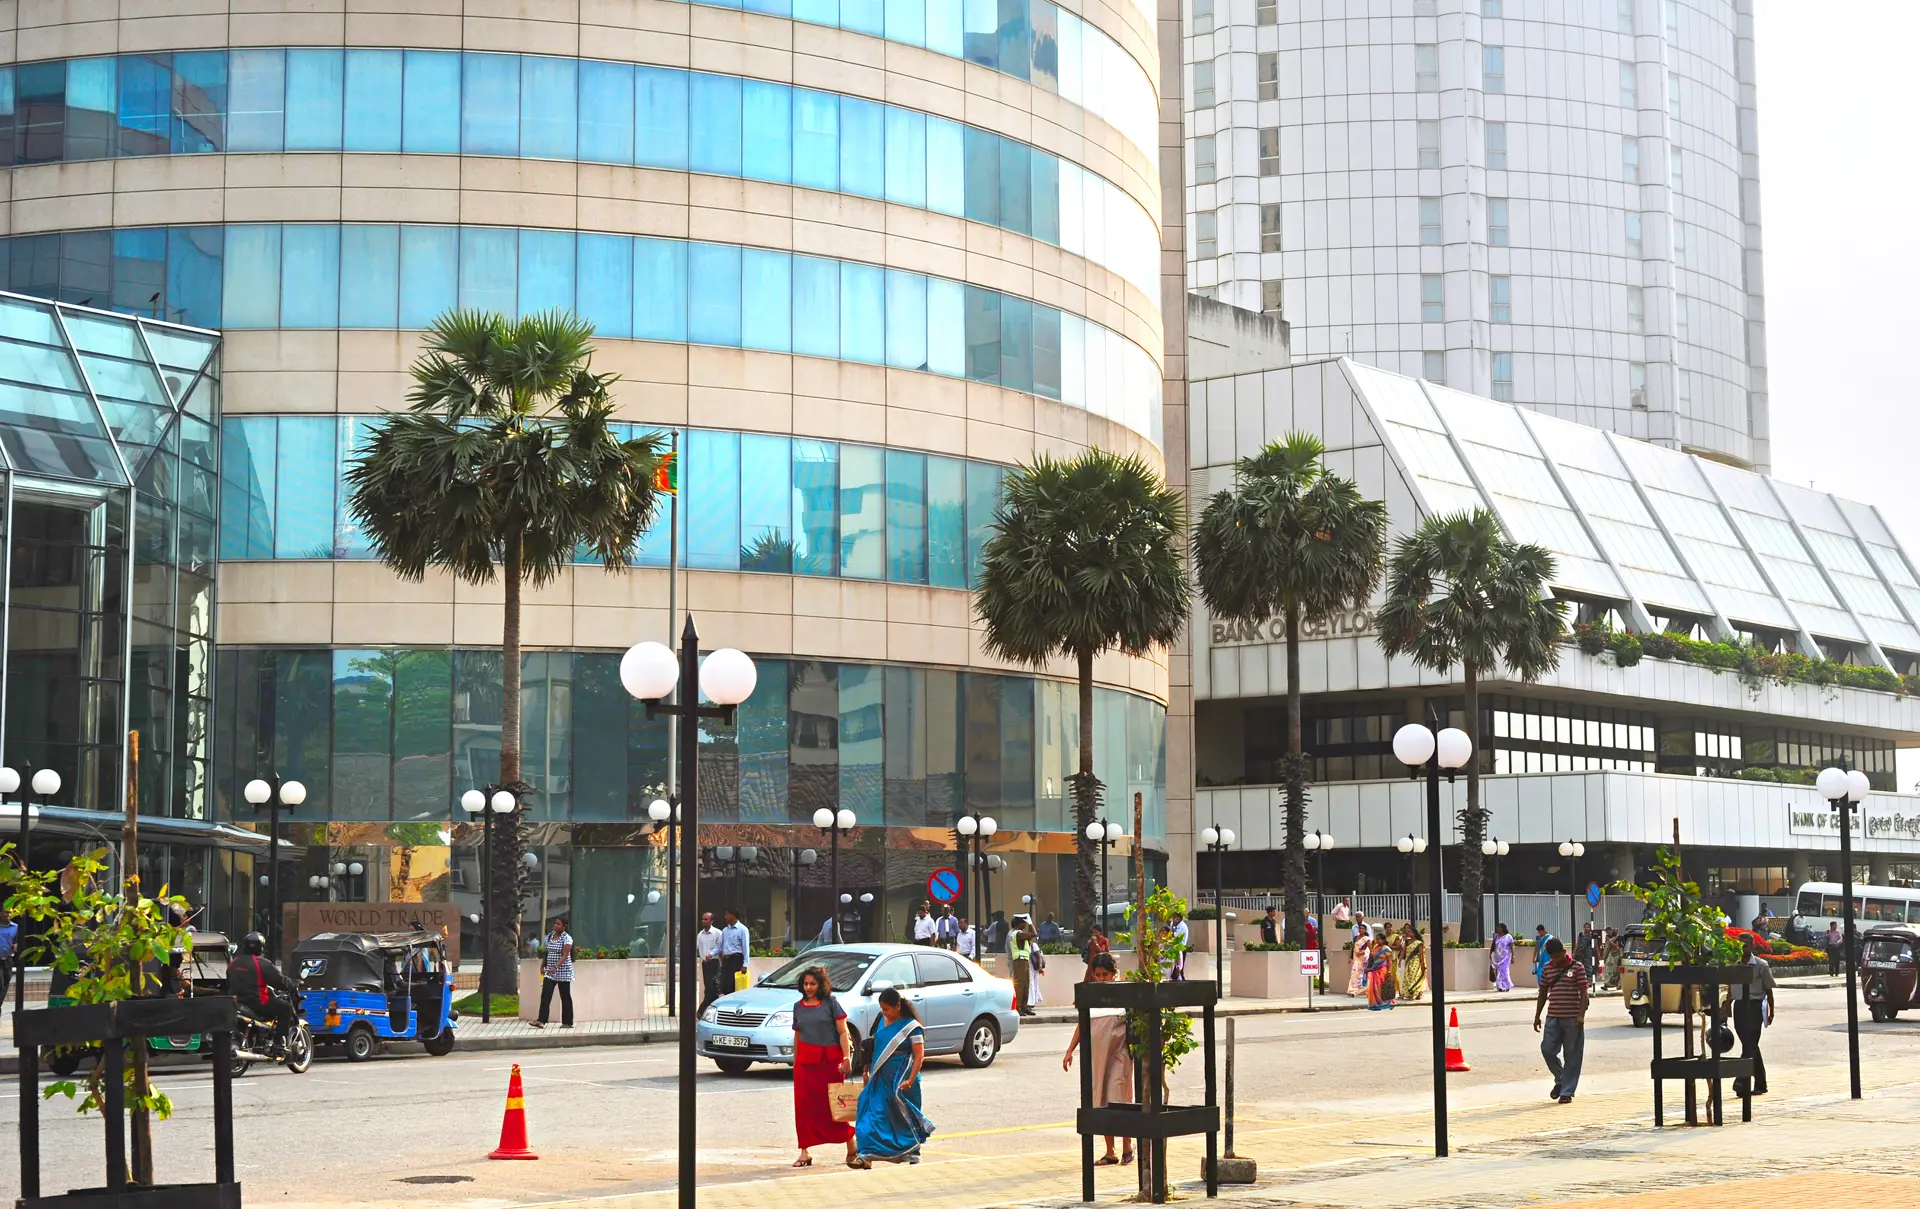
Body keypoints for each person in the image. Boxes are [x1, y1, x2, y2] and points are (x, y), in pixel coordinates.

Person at [849, 987, 934, 1166]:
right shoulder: (881, 1020)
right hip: (880, 1077)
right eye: (882, 1008)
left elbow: (919, 1055)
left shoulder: (912, 1027)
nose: (884, 1012)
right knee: (870, 1113)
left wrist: (911, 1079)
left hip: (902, 1080)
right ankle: (866, 1154)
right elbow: (872, 1046)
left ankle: (911, 1152)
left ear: (898, 1007)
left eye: (887, 1009)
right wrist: (865, 1070)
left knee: (903, 1118)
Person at [1062, 953, 1133, 1166]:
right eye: (1098, 975)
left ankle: (1127, 1145)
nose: (1102, 979)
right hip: (1096, 1056)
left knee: (1118, 1096)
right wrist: (1070, 1050)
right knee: (1099, 1098)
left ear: (1114, 974)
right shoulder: (1090, 996)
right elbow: (1082, 1024)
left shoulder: (1123, 994)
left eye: (1105, 975)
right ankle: (1110, 1151)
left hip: (1118, 1054)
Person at [789, 965, 857, 1168]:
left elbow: (843, 1032)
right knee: (804, 1107)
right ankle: (804, 1151)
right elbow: (798, 1034)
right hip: (805, 1062)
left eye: (813, 983)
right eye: (805, 984)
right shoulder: (798, 1006)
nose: (808, 987)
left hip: (830, 1062)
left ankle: (851, 1143)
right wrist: (795, 1058)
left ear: (821, 985)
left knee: (835, 1105)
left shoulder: (831, 1003)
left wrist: (846, 1058)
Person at [1533, 937, 1590, 1103]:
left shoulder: (1577, 967)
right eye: (1553, 958)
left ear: (1564, 952)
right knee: (1547, 1050)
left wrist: (1581, 1016)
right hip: (1553, 1017)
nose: (1556, 961)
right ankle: (1560, 1078)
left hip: (1572, 1019)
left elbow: (1584, 993)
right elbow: (1543, 992)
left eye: (1558, 957)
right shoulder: (1548, 968)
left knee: (1572, 1055)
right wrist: (1537, 1015)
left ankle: (1567, 1091)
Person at [227, 931, 298, 1041]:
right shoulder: (262, 963)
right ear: (261, 947)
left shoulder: (233, 963)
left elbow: (229, 982)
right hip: (258, 1003)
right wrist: (293, 984)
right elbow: (280, 981)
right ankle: (279, 1042)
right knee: (286, 1008)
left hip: (236, 1003)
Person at [1733, 933, 1775, 1098]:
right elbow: (1730, 988)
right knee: (1749, 1045)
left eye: (1747, 945)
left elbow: (1769, 989)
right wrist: (1726, 1007)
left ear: (1752, 946)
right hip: (1740, 1006)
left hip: (1755, 1006)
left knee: (1750, 1044)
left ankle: (1741, 1080)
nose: (1744, 948)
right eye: (1741, 945)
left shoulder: (1760, 965)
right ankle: (1760, 1083)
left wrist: (1771, 1010)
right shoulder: (1734, 964)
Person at [531, 915, 574, 1029]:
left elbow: (565, 955)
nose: (555, 925)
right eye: (555, 923)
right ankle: (541, 1020)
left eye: (558, 924)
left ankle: (567, 1022)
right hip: (550, 972)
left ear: (564, 927)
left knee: (565, 996)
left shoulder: (567, 938)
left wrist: (556, 966)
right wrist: (542, 965)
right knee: (546, 994)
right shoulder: (550, 936)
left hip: (563, 971)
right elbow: (547, 952)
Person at [696, 912, 724, 1011]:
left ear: (711, 921)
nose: (703, 921)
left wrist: (722, 965)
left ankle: (701, 1011)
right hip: (705, 964)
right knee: (708, 988)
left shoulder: (717, 933)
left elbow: (720, 949)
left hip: (714, 963)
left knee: (713, 988)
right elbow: (698, 948)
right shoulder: (700, 935)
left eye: (706, 919)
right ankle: (708, 1010)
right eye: (703, 919)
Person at [719, 909, 750, 994]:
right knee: (726, 986)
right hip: (727, 960)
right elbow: (720, 947)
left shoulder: (743, 930)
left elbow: (746, 948)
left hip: (736, 960)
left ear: (733, 916)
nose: (725, 917)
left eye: (727, 915)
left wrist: (745, 964)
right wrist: (711, 954)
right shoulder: (725, 930)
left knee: (735, 986)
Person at [1365, 926, 1396, 1010]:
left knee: (1381, 987)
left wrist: (1389, 971)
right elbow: (1372, 958)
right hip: (1374, 970)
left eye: (1379, 939)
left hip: (1382, 971)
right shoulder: (1375, 947)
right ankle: (1375, 1003)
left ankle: (1385, 1003)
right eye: (1376, 939)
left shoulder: (1387, 949)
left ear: (1383, 939)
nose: (1377, 940)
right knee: (1373, 987)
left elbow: (1389, 961)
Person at [1010, 919, 1036, 1015]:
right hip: (1019, 960)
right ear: (1019, 924)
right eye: (1023, 922)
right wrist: (1030, 923)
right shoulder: (1018, 934)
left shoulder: (1019, 934)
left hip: (1024, 960)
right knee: (1020, 984)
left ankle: (1024, 1006)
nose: (1025, 924)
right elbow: (1034, 934)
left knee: (1026, 984)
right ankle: (1018, 1007)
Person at [1397, 923, 1427, 1001]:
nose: (1408, 933)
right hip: (1408, 962)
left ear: (1414, 933)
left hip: (1416, 962)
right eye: (1408, 932)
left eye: (1410, 932)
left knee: (1415, 977)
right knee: (1407, 977)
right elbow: (1403, 952)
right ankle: (1410, 993)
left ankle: (1418, 992)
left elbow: (1421, 955)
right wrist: (1400, 960)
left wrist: (1422, 964)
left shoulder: (1419, 943)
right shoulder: (1407, 942)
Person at [1489, 922, 1515, 992]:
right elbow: (1493, 946)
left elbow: (1512, 947)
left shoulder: (1508, 936)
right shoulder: (1496, 936)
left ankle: (1505, 986)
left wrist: (1513, 956)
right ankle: (1501, 986)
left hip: (1506, 957)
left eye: (1499, 928)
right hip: (1498, 957)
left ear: (1503, 928)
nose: (1498, 929)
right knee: (1499, 971)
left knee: (1504, 971)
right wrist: (1491, 954)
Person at [1346, 927, 1372, 997]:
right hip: (1356, 957)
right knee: (1354, 973)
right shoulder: (1355, 938)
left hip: (1364, 958)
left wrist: (1363, 953)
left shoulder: (1367, 939)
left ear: (1365, 930)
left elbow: (1370, 950)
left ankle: (1364, 989)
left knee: (1363, 974)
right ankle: (1352, 990)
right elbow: (1353, 948)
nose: (1361, 930)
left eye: (1363, 929)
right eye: (1360, 929)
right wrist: (1350, 957)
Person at [0, 908, 17, 1008]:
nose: (8, 914)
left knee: (5, 984)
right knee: (0, 983)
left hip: (8, 959)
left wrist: (16, 945)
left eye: (10, 912)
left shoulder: (16, 927)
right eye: (6, 912)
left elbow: (17, 941)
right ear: (0, 913)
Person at [1171, 912, 1189, 981]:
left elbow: (1175, 936)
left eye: (1176, 918)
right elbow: (1169, 923)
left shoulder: (1182, 926)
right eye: (1174, 918)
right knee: (1175, 968)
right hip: (1175, 948)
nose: (1175, 920)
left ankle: (1181, 982)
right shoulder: (1173, 924)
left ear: (1180, 919)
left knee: (1179, 968)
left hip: (1180, 949)